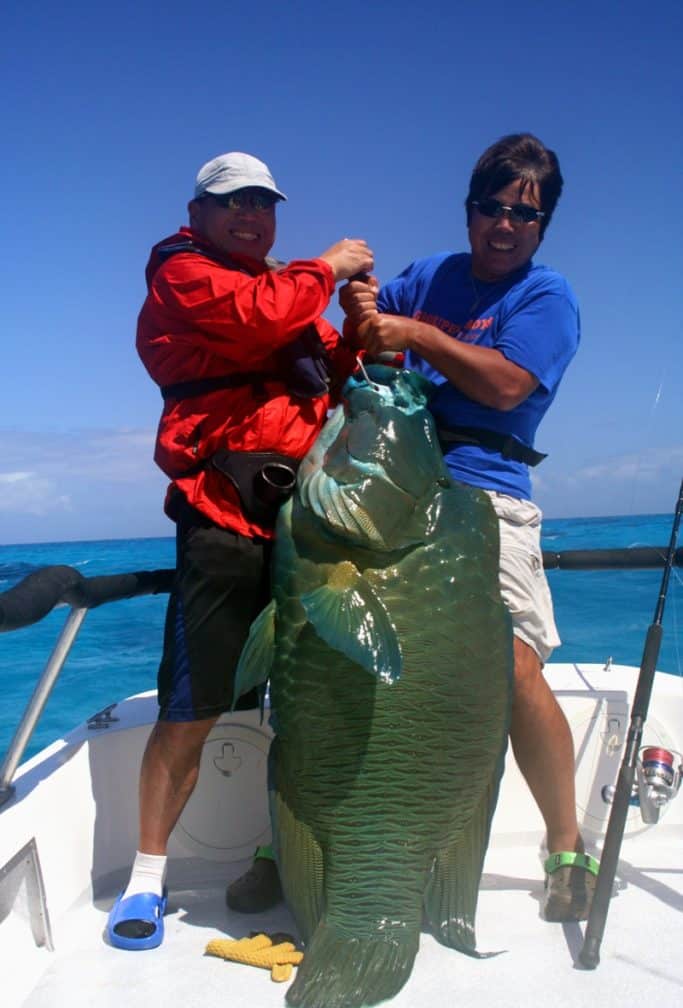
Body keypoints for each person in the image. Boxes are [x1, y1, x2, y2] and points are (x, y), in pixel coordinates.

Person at [105, 151, 373, 949]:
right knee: (192, 709)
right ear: (197, 213)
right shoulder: (186, 275)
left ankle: (278, 854)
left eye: (264, 204)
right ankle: (147, 881)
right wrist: (330, 265)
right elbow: (258, 315)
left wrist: (361, 328)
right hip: (219, 524)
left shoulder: (291, 295)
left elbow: (335, 369)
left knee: (311, 699)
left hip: (305, 531)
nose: (251, 215)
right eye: (233, 203)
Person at [339, 133, 596, 923]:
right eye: (491, 207)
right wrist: (361, 316)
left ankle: (564, 845)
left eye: (525, 213)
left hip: (486, 495)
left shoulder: (545, 298)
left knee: (514, 667)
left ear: (543, 225)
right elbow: (361, 345)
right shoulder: (428, 275)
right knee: (342, 655)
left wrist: (414, 335)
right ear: (468, 210)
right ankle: (308, 837)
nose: (505, 225)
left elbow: (505, 385)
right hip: (394, 485)